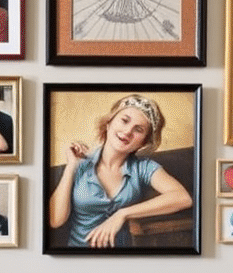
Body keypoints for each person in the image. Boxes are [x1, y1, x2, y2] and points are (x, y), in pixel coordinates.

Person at [49, 93, 192, 250]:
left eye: (138, 129)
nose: (128, 131)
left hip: (124, 259)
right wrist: (71, 167)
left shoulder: (144, 167)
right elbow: (55, 220)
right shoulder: (80, 164)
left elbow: (183, 198)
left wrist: (122, 214)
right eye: (124, 120)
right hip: (77, 258)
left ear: (143, 142)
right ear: (109, 123)